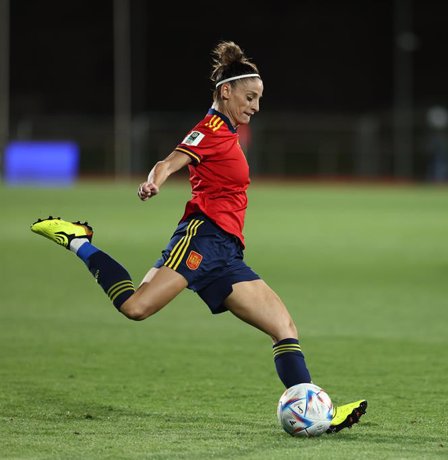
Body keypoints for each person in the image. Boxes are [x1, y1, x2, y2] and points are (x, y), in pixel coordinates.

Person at [30, 41, 366, 433]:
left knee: (283, 327)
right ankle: (78, 240)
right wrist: (153, 182)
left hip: (226, 252)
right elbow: (168, 162)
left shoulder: (228, 130)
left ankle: (318, 415)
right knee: (136, 308)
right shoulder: (208, 130)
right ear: (227, 92)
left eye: (259, 99)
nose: (256, 106)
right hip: (201, 239)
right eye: (250, 97)